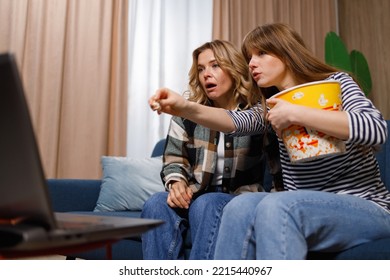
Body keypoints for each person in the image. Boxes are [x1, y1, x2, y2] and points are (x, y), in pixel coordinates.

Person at [149, 23, 390, 259]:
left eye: (261, 53)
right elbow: (235, 121)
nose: (252, 63)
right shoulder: (269, 106)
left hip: (364, 206)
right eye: (249, 57)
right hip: (304, 204)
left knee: (277, 206)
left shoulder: (337, 84)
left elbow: (376, 130)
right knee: (238, 207)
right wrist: (184, 107)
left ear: (286, 52)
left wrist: (296, 113)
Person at [141, 39, 282, 260]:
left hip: (240, 198)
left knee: (208, 203)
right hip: (197, 194)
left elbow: (277, 165)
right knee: (156, 203)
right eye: (201, 69)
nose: (206, 74)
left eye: (215, 65)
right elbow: (174, 158)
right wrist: (176, 182)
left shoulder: (257, 112)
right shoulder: (188, 112)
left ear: (234, 68)